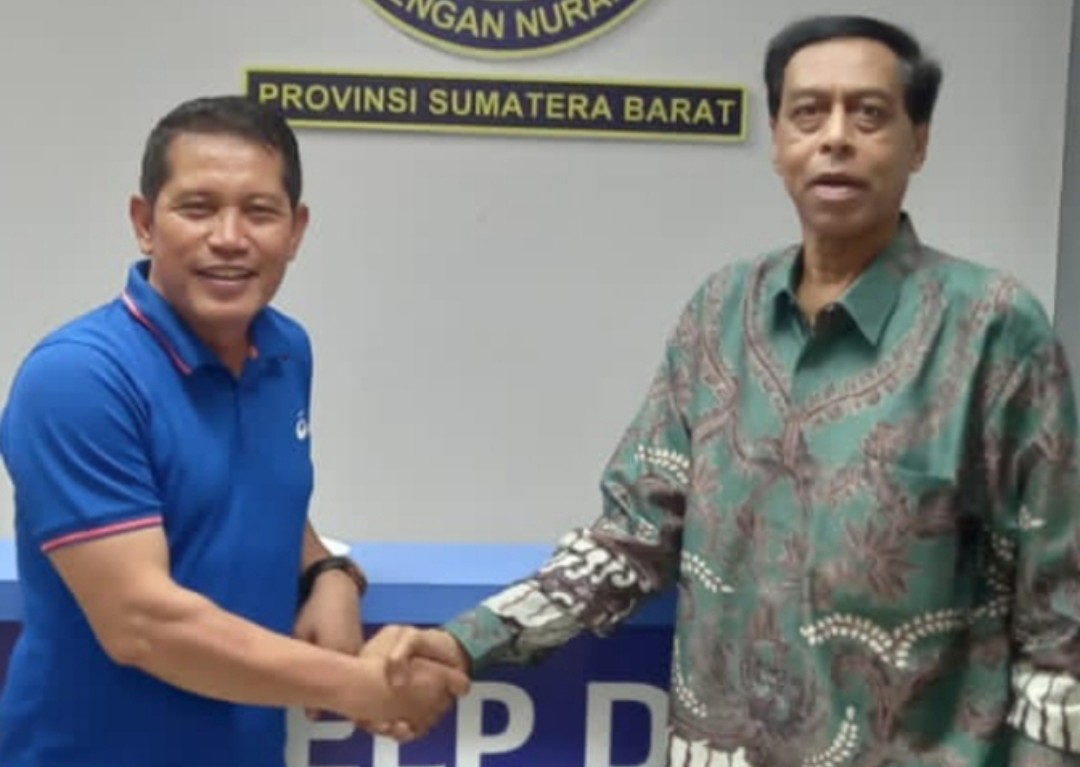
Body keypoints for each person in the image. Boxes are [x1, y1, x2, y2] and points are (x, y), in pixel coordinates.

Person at [370, 14, 1080, 766]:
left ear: (920, 142)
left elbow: (1061, 611)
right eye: (809, 113)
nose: (835, 137)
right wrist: (464, 641)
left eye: (869, 114)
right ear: (777, 140)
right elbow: (632, 536)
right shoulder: (721, 314)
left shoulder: (991, 327)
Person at [0, 95, 467, 767]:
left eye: (259, 211)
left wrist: (328, 570)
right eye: (197, 208)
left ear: (295, 230)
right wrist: (360, 686)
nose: (228, 236)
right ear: (144, 223)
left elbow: (247, 489)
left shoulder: (285, 351)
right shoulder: (79, 377)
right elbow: (141, 624)